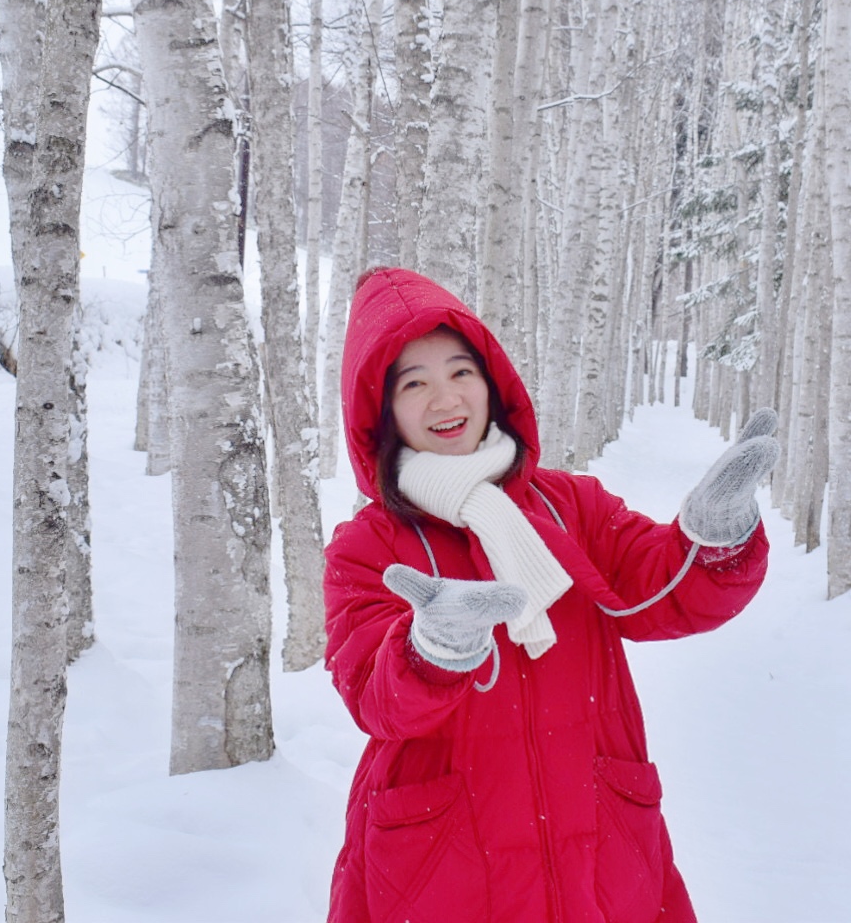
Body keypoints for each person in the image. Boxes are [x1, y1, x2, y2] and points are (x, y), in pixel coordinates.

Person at [323, 267, 780, 923]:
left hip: (596, 840)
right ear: (381, 409)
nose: (445, 399)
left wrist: (715, 537)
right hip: (442, 867)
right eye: (413, 383)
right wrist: (429, 650)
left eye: (460, 372)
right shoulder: (367, 546)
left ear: (491, 382)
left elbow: (665, 591)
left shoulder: (570, 507)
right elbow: (370, 688)